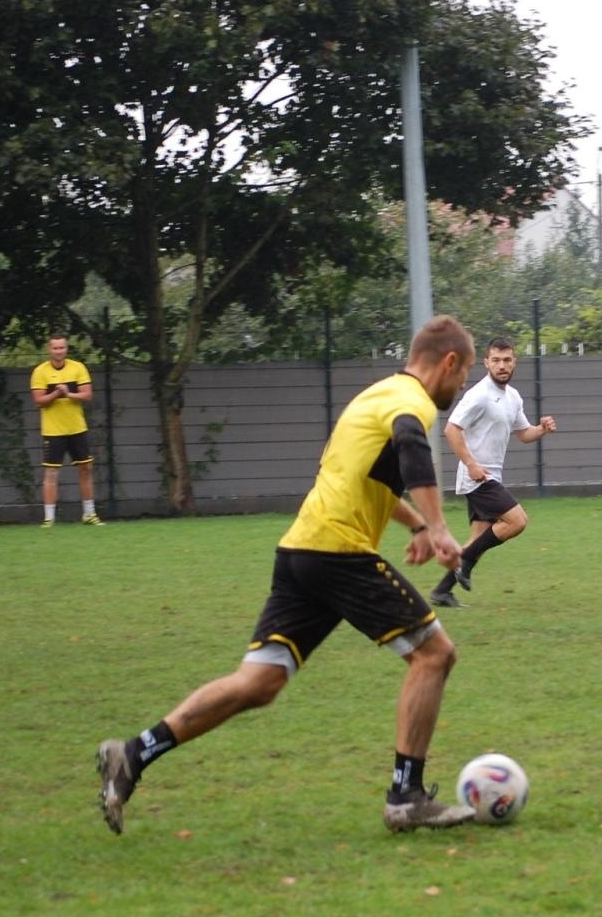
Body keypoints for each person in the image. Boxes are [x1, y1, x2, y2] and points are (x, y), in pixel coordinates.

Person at [95, 315, 479, 834]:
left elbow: (354, 477)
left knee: (259, 682)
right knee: (435, 655)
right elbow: (411, 444)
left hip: (300, 553)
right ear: (449, 362)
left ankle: (133, 754)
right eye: (464, 375)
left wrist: (413, 522)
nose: (461, 388)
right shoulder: (410, 405)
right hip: (339, 553)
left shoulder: (372, 398)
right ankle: (405, 796)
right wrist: (438, 528)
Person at [429, 336, 557, 607]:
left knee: (478, 539)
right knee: (517, 521)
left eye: (507, 360)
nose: (502, 365)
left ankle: (442, 591)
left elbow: (524, 433)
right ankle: (465, 565)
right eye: (496, 360)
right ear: (486, 363)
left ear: (514, 363)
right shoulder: (479, 395)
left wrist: (542, 429)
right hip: (478, 478)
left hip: (491, 477)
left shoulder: (512, 397)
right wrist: (472, 464)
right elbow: (451, 429)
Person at [30, 332, 104, 527]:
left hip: (77, 428)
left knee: (86, 468)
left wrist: (69, 393)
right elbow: (38, 401)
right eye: (55, 348)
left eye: (62, 347)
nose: (58, 351)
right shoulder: (40, 372)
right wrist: (56, 393)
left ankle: (89, 514)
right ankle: (49, 518)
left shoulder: (78, 368)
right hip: (53, 431)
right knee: (51, 473)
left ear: (66, 348)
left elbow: (87, 396)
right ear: (49, 349)